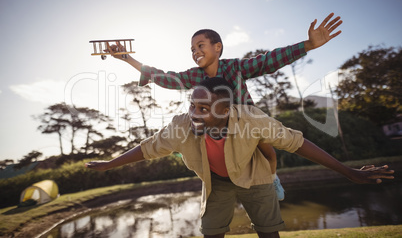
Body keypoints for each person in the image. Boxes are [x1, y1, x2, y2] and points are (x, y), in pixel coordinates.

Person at [86, 77, 394, 238]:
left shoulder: (251, 120)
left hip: (255, 178)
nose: (194, 113)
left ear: (225, 110)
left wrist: (347, 172)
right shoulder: (181, 125)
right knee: (211, 232)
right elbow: (148, 147)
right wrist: (109, 163)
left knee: (268, 231)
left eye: (203, 109)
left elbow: (298, 144)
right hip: (216, 183)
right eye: (193, 105)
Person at [104, 13, 343, 201]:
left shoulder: (236, 68)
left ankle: (272, 178)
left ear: (217, 47)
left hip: (245, 124)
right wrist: (127, 59)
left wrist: (307, 45)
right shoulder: (194, 76)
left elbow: (269, 60)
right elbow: (165, 77)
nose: (196, 52)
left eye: (201, 46)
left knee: (268, 152)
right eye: (192, 50)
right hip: (216, 128)